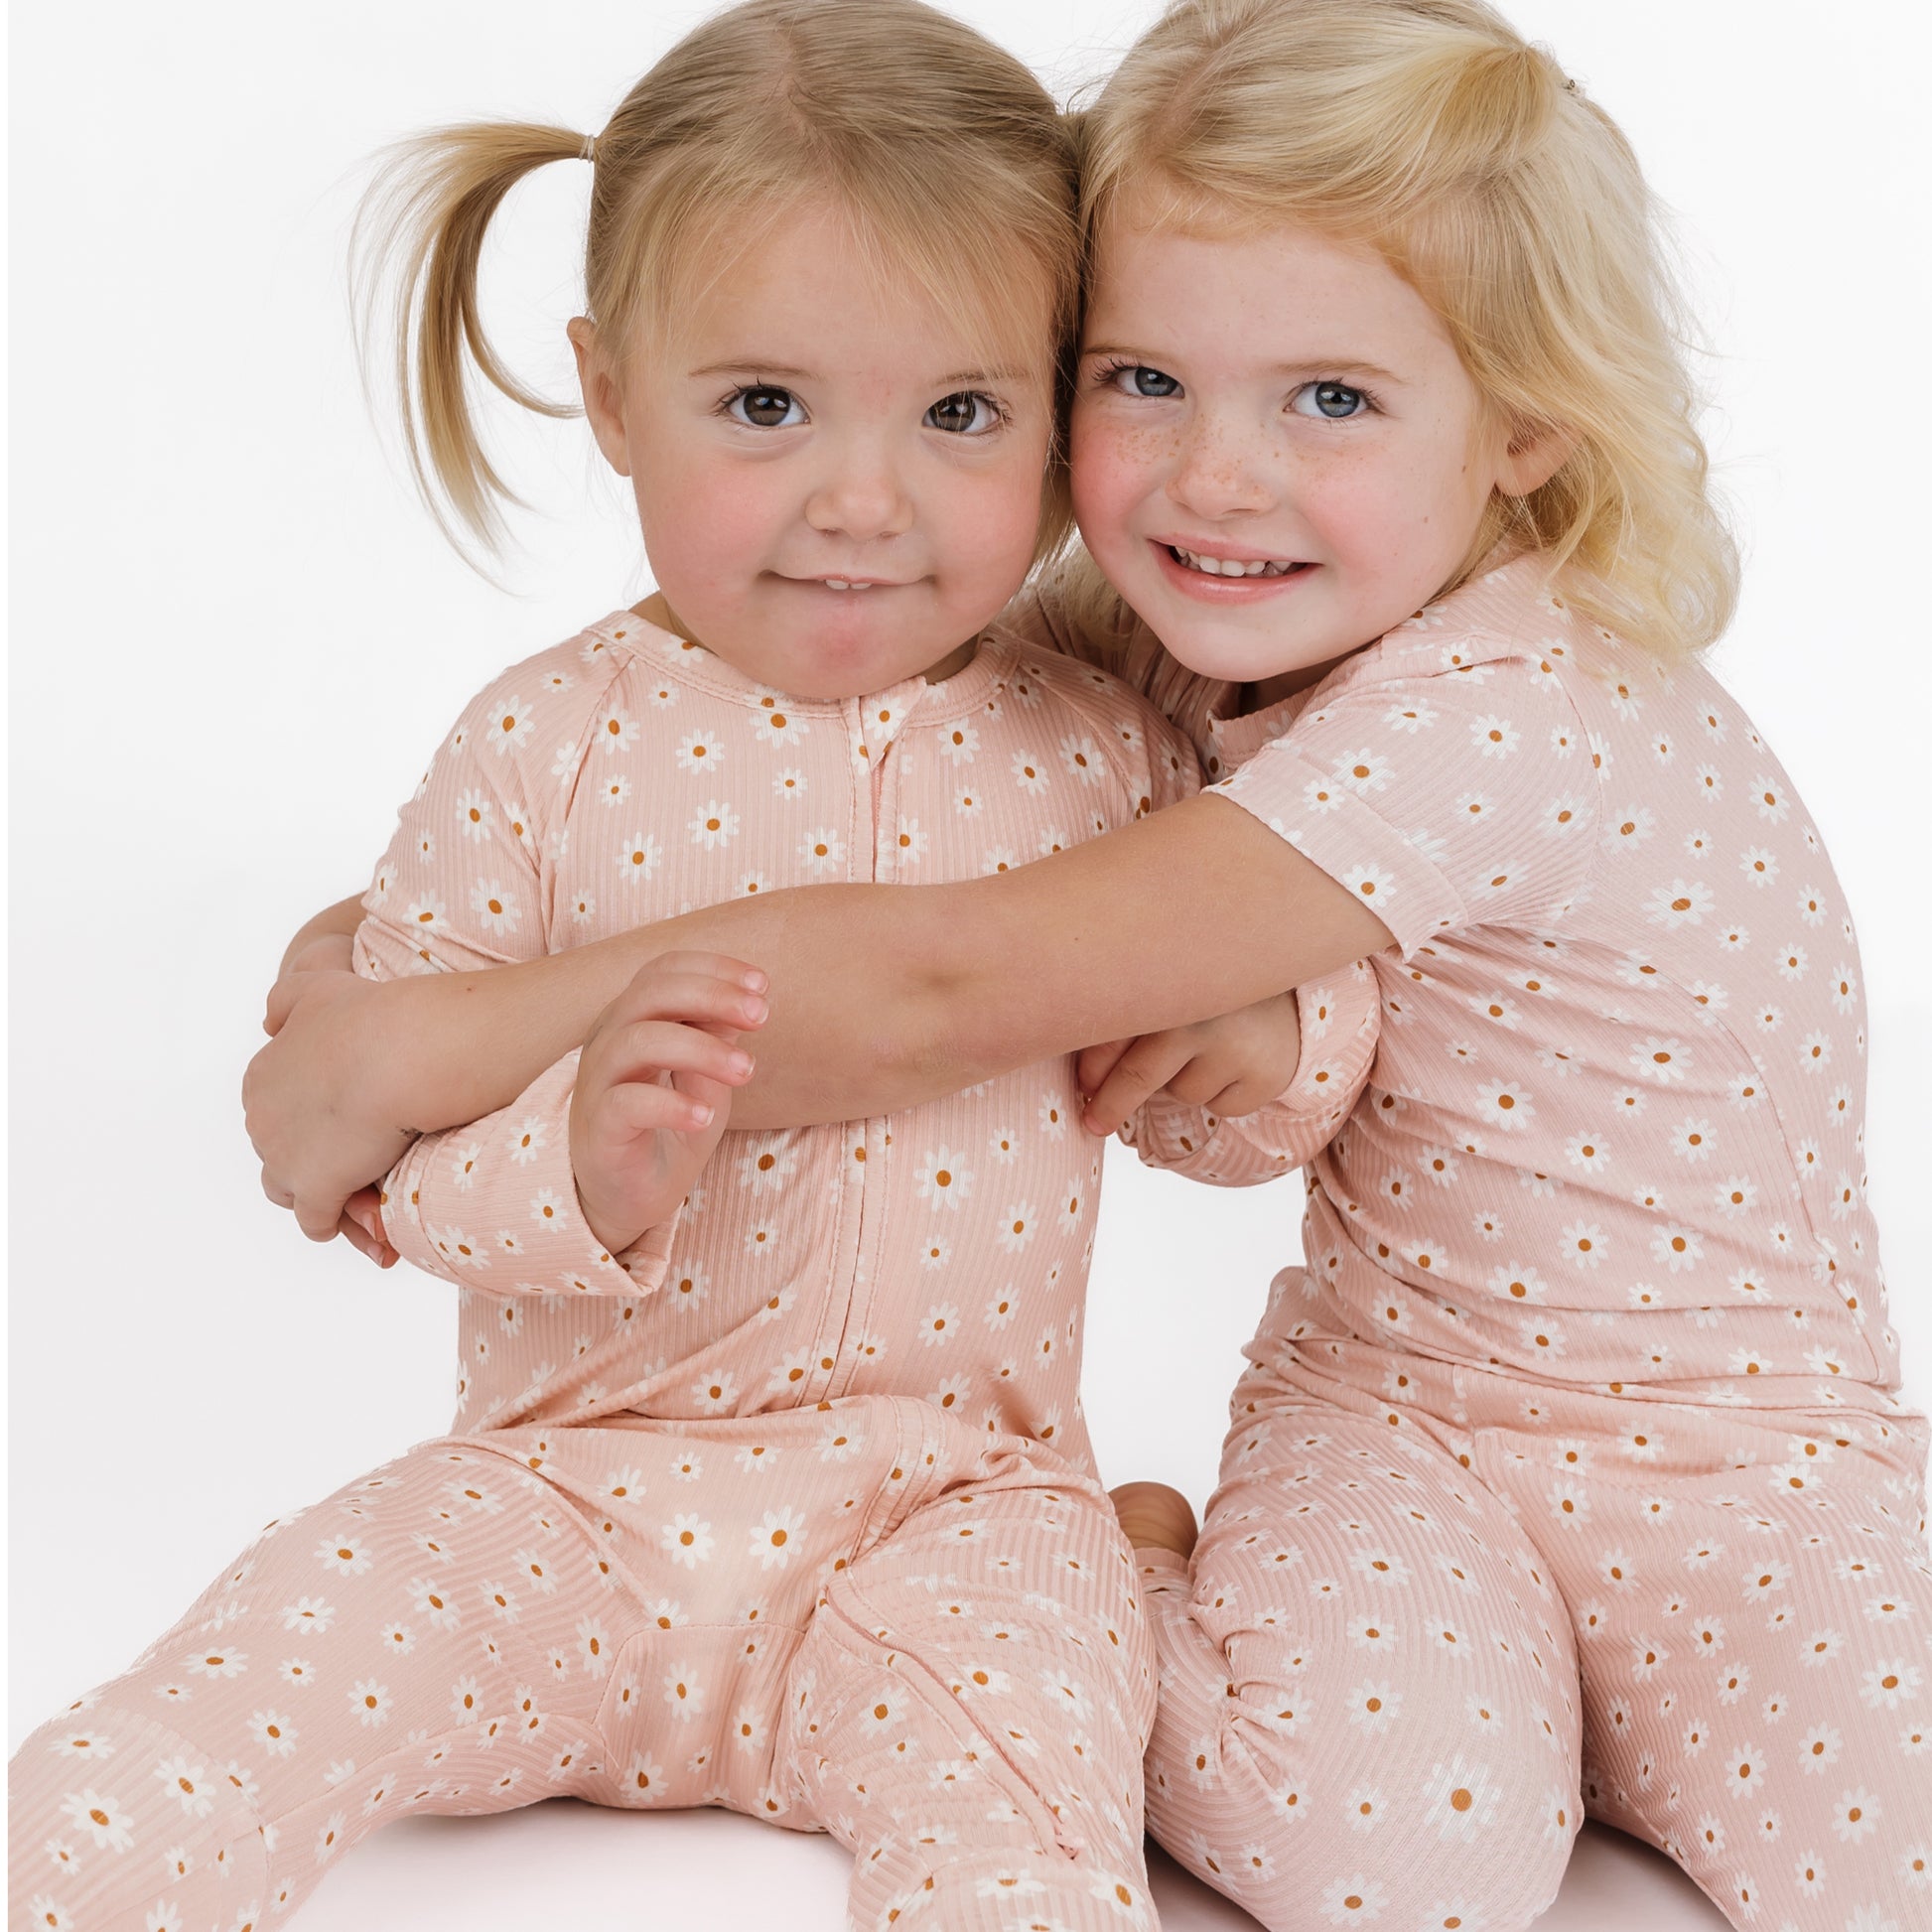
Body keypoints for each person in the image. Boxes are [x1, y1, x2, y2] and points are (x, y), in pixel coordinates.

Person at [240, 3, 1932, 1926]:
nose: (1218, 478)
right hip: (1383, 1410)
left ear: (1527, 423)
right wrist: (352, 972)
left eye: (1333, 399)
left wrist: (420, 1043)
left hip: (1740, 1439)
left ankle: (1609, 1687)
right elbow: (808, 846)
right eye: (1144, 378)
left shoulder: (1506, 705)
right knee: (1388, 1881)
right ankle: (1126, 1579)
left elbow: (935, 982)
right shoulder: (1182, 630)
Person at [8, 5, 1373, 1927]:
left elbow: (1251, 1130)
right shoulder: (536, 748)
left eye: (959, 415)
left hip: (953, 1509)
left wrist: (1265, 1032)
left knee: (1026, 1821)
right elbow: (385, 1162)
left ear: (1060, 419)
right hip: (564, 1494)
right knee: (254, 1686)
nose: (862, 501)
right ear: (610, 389)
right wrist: (577, 1163)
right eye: (763, 407)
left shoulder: (1103, 755)